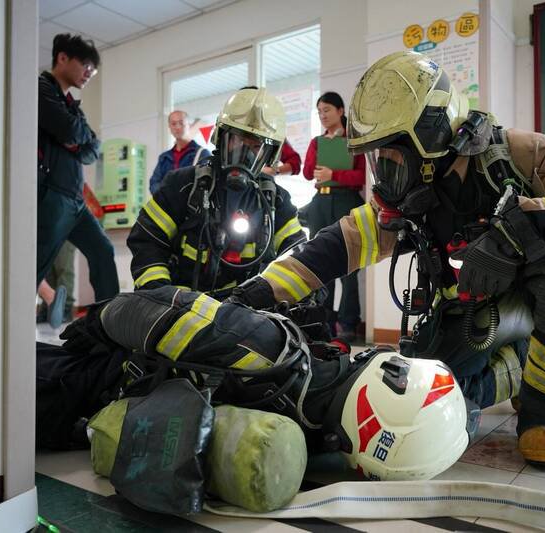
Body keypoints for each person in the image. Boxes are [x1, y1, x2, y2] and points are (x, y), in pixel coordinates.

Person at [230, 51, 545, 467]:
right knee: (430, 401)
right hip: (469, 313)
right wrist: (256, 293)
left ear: (432, 134)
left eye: (391, 154)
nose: (384, 171)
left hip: (539, 295)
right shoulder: (412, 195)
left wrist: (518, 231)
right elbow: (336, 246)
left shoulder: (518, 153)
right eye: (377, 158)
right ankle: (522, 368)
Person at [50, 285, 472, 481]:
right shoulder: (311, 439)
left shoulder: (266, 348)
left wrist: (98, 320)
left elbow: (148, 311)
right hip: (94, 414)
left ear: (392, 379)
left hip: (73, 380)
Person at [127, 88, 306, 298]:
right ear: (221, 137)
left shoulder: (275, 201)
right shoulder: (181, 186)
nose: (244, 154)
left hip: (243, 310)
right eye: (237, 140)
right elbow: (147, 241)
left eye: (255, 146)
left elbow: (299, 258)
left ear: (270, 154)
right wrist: (162, 296)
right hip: (182, 308)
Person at [38, 33, 119, 302]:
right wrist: (76, 137)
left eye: (92, 70)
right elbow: (70, 131)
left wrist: (76, 139)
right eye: (85, 65)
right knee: (36, 265)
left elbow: (91, 150)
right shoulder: (41, 89)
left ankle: (110, 318)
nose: (89, 73)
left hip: (76, 200)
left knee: (103, 251)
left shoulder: (72, 105)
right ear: (62, 58)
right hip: (53, 195)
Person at [302, 92, 366, 341]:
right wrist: (320, 154)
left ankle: (348, 323)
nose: (322, 115)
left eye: (327, 110)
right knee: (321, 263)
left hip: (346, 201)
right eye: (319, 111)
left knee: (350, 265)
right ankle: (323, 322)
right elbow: (308, 173)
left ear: (340, 111)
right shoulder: (317, 142)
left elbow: (361, 177)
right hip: (320, 203)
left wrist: (334, 174)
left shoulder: (353, 141)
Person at [240, 86, 302, 177]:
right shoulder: (227, 130)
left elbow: (295, 162)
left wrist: (275, 171)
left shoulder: (271, 134)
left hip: (260, 182)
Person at [149, 110, 211, 194]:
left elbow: (207, 184)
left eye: (181, 123)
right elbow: (154, 184)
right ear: (169, 127)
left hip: (190, 202)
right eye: (173, 124)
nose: (177, 127)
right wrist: (167, 195)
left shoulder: (202, 154)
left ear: (189, 124)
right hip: (167, 202)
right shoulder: (164, 157)